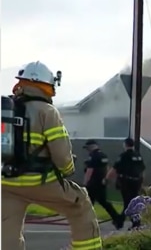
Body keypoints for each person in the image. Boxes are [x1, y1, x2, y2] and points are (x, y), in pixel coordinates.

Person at [1, 61, 102, 250]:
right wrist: (68, 169)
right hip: (40, 182)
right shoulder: (47, 112)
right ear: (47, 85)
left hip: (6, 184)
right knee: (80, 205)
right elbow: (62, 156)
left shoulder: (5, 111)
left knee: (6, 236)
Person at [83, 139, 124, 229]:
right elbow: (107, 168)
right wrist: (106, 179)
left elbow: (90, 171)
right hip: (101, 183)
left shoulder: (93, 156)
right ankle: (117, 218)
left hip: (93, 184)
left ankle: (87, 222)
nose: (87, 150)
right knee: (104, 202)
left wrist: (85, 184)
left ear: (92, 146)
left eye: (87, 148)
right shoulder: (103, 156)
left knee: (88, 203)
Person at [106, 138, 145, 230]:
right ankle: (123, 221)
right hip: (136, 182)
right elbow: (142, 170)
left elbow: (115, 169)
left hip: (126, 182)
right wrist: (141, 182)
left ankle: (128, 221)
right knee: (132, 202)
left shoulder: (124, 156)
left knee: (128, 203)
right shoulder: (138, 155)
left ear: (125, 145)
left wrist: (106, 179)